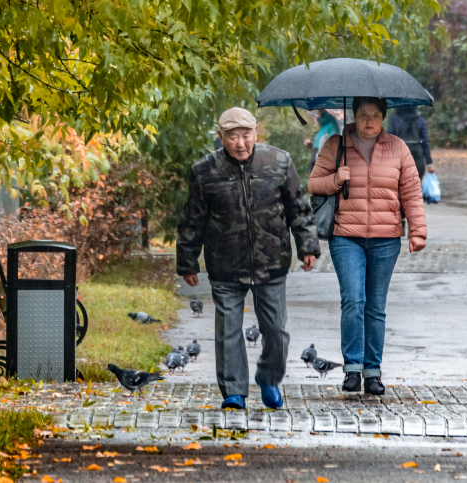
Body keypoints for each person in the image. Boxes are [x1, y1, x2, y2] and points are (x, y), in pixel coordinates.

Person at [176, 107, 320, 410]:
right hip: (225, 263)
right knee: (228, 329)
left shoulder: (279, 162)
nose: (239, 143)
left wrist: (307, 245)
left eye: (245, 135)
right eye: (232, 137)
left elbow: (298, 207)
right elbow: (192, 219)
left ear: (256, 132)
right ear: (221, 137)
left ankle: (269, 377)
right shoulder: (204, 171)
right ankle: (234, 392)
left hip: (271, 262)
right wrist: (187, 260)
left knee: (276, 331)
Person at [307, 97, 427, 395]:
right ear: (354, 116)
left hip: (386, 239)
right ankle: (352, 369)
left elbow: (411, 191)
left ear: (383, 117)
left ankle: (373, 372)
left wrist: (417, 231)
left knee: (375, 307)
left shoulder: (398, 148)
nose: (369, 121)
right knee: (353, 300)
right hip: (346, 236)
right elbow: (312, 184)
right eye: (362, 115)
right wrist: (335, 179)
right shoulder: (337, 145)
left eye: (375, 115)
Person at [388, 105, 435, 180]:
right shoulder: (420, 121)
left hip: (399, 159)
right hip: (418, 159)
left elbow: (390, 142)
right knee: (416, 187)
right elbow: (425, 143)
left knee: (400, 187)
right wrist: (429, 163)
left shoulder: (394, 120)